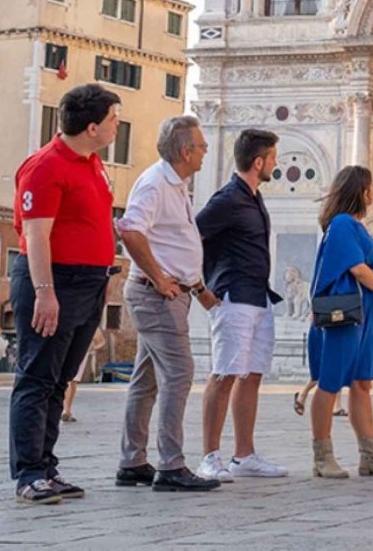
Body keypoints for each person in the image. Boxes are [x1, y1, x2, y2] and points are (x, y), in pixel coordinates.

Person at [9, 83, 121, 506]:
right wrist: (45, 293)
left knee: (60, 380)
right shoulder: (45, 166)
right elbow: (36, 235)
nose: (116, 126)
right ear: (92, 126)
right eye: (112, 120)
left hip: (90, 283)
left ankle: (46, 467)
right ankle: (28, 475)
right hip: (54, 280)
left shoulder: (92, 164)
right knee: (37, 377)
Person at [114, 116, 221, 494]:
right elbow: (129, 229)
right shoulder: (157, 183)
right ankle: (171, 465)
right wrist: (160, 277)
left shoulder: (175, 185)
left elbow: (174, 245)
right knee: (178, 374)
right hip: (156, 294)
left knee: (145, 380)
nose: (206, 151)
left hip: (168, 293)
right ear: (185, 150)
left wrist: (199, 289)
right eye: (202, 145)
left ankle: (132, 461)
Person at [194, 129, 287, 481]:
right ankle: (209, 457)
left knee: (251, 375)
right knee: (224, 374)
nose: (276, 164)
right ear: (258, 161)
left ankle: (244, 455)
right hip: (232, 297)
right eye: (274, 158)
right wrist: (199, 288)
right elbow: (191, 235)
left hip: (258, 297)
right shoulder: (228, 199)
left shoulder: (253, 197)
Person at [307, 165, 373, 479]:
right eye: (371, 187)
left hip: (365, 316)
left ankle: (371, 456)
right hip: (344, 315)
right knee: (330, 383)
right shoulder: (343, 223)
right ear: (362, 191)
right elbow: (357, 268)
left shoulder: (355, 226)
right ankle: (322, 457)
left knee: (363, 383)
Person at [61, 327, 104, 423]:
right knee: (73, 381)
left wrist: (91, 348)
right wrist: (91, 348)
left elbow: (100, 341)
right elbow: (100, 342)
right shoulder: (89, 320)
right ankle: (67, 409)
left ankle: (66, 409)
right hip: (81, 352)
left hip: (71, 351)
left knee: (69, 380)